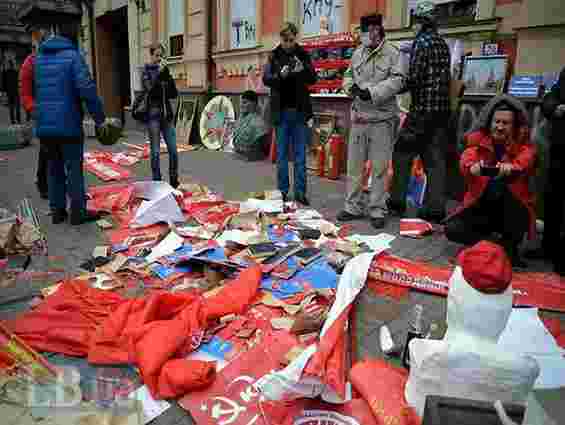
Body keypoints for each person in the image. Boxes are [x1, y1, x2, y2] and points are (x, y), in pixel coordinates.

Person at [444, 95, 536, 267]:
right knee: (452, 228)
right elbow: (466, 160)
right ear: (489, 123)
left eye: (505, 123)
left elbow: (525, 162)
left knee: (505, 195)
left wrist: (511, 168)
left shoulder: (525, 147)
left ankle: (506, 248)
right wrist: (472, 168)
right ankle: (493, 246)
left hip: (510, 212)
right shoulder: (476, 143)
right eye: (497, 122)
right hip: (480, 210)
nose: (500, 127)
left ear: (514, 126)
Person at [35, 21, 107, 225]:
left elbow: (35, 89)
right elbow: (87, 89)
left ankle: (57, 211)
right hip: (69, 124)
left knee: (53, 168)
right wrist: (100, 119)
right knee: (73, 169)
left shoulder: (40, 58)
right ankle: (77, 212)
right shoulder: (73, 56)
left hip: (46, 125)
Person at [336, 13, 403, 229]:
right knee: (354, 166)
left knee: (379, 168)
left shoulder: (393, 53)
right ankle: (352, 207)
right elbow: (348, 75)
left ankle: (377, 209)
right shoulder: (358, 52)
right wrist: (350, 88)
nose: (364, 36)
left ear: (376, 31)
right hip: (360, 117)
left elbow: (398, 80)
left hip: (382, 119)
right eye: (363, 32)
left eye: (367, 31)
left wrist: (372, 93)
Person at [388, 0, 451, 223]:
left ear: (421, 22)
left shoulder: (421, 42)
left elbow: (414, 78)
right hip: (441, 113)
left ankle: (397, 202)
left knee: (402, 154)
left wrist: (392, 87)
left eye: (415, 22)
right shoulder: (442, 44)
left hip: (421, 111)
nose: (413, 26)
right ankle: (435, 209)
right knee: (434, 160)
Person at [263, 22, 317, 205]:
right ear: (281, 38)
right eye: (285, 40)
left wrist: (303, 71)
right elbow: (266, 79)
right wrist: (280, 75)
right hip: (281, 112)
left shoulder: (303, 54)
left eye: (291, 40)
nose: (288, 43)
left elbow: (313, 79)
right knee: (282, 155)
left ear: (295, 38)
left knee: (300, 155)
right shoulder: (273, 56)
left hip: (300, 111)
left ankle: (300, 192)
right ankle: (283, 191)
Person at [525, 67, 565, 276]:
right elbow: (550, 97)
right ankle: (549, 247)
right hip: (559, 148)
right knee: (553, 199)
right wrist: (554, 107)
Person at [143, 44, 179, 188]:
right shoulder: (146, 71)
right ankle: (157, 182)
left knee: (173, 150)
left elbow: (173, 94)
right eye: (157, 55)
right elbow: (150, 90)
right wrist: (158, 74)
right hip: (153, 116)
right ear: (151, 55)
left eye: (161, 55)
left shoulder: (165, 71)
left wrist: (167, 76)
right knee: (156, 152)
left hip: (167, 116)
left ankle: (174, 180)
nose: (159, 58)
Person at [20, 26, 49, 200]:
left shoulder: (54, 59)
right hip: (42, 113)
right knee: (46, 150)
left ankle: (52, 182)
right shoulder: (30, 63)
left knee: (54, 150)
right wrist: (33, 109)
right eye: (41, 41)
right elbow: (25, 93)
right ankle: (43, 183)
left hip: (57, 112)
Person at [232, 90, 269, 161]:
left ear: (253, 104)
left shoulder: (259, 123)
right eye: (241, 103)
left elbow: (263, 144)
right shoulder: (240, 120)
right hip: (239, 155)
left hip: (253, 156)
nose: (241, 105)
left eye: (245, 102)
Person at [2, 57, 21, 124]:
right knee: (15, 106)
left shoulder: (5, 73)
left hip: (10, 91)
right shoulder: (15, 72)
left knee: (12, 106)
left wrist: (4, 91)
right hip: (14, 91)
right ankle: (17, 120)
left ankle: (13, 120)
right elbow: (18, 81)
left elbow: (3, 83)